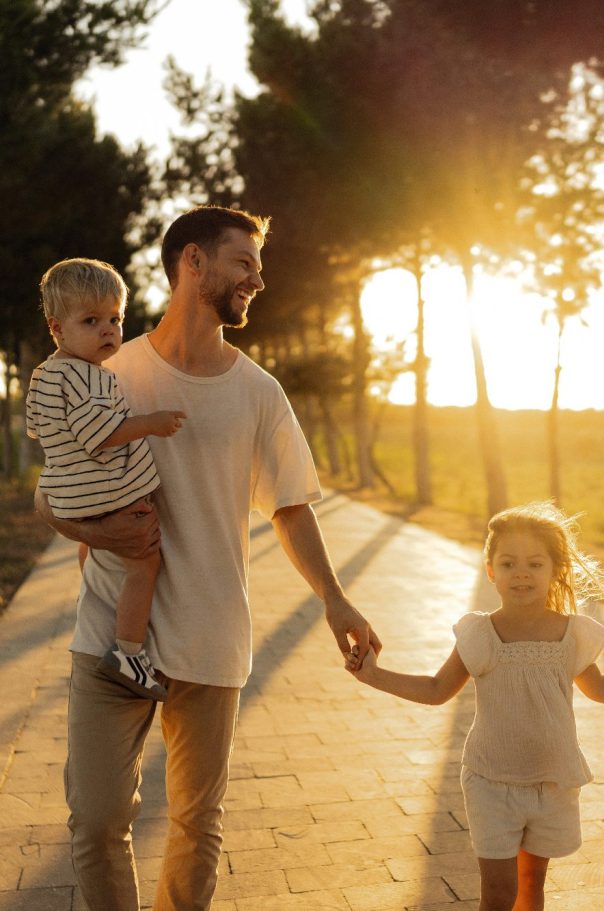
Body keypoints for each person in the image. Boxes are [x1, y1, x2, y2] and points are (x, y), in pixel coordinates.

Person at [34, 206, 381, 911]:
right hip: (110, 637)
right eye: (244, 262)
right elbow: (51, 493)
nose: (258, 277)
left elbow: (289, 504)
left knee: (196, 824)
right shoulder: (108, 370)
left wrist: (334, 596)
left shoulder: (257, 392)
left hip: (211, 635)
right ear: (192, 262)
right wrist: (99, 537)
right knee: (97, 819)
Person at [347, 501, 604, 911]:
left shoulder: (571, 634)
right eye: (507, 564)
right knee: (499, 894)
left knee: (531, 888)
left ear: (555, 570)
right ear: (490, 570)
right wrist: (373, 675)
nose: (521, 573)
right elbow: (437, 689)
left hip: (549, 782)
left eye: (534, 563)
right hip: (491, 782)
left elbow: (598, 687)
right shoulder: (481, 634)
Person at [27, 258, 186, 701]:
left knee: (93, 550)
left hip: (75, 495)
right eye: (91, 320)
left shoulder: (46, 374)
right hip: (110, 493)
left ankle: (100, 600)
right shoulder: (86, 377)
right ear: (57, 328)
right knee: (144, 562)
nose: (108, 330)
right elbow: (102, 436)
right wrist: (150, 422)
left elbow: (40, 430)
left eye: (115, 318)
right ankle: (129, 652)